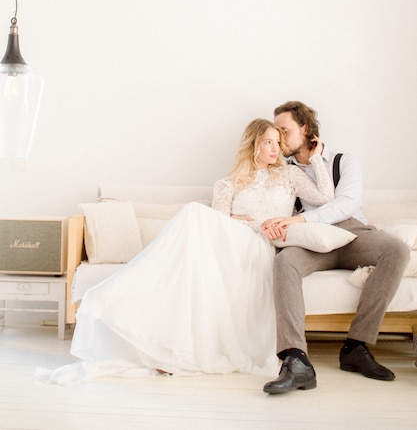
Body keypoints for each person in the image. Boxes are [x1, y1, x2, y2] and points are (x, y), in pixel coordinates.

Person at [38, 118, 334, 385]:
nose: (275, 148)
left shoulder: (289, 176)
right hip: (230, 242)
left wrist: (318, 159)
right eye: (268, 141)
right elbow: (219, 222)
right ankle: (152, 325)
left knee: (194, 212)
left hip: (258, 247)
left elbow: (325, 198)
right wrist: (250, 223)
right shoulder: (227, 184)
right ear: (253, 145)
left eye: (277, 142)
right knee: (195, 217)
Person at [262, 101, 410, 395]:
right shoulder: (282, 170)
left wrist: (299, 218)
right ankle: (295, 359)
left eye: (284, 130)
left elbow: (346, 204)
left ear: (305, 129)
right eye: (275, 131)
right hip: (312, 241)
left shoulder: (344, 161)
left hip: (352, 233)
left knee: (396, 250)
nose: (279, 138)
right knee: (285, 262)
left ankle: (356, 346)